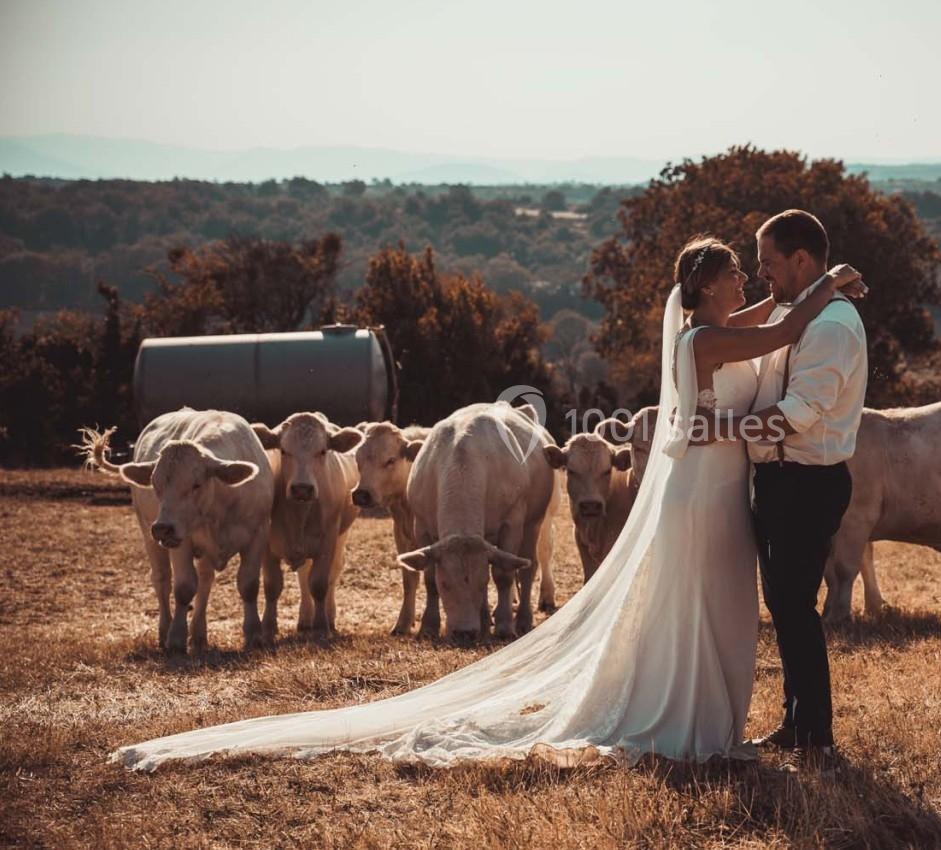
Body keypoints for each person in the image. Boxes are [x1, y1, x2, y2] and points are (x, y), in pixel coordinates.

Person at [110, 233, 864, 772]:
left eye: (754, 272)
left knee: (722, 602)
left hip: (722, 487)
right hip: (705, 492)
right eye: (739, 273)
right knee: (700, 600)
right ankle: (686, 714)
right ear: (703, 289)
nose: (749, 283)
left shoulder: (726, 328)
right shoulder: (702, 338)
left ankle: (713, 712)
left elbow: (773, 324)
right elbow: (789, 322)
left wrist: (805, 293)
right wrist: (828, 283)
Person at [697, 210, 869, 770]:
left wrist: (723, 430)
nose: (761, 272)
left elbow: (797, 415)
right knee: (784, 606)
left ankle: (816, 735)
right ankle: (796, 723)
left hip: (808, 482)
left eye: (769, 262)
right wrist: (832, 279)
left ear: (800, 260)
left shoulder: (833, 328)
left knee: (795, 606)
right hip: (775, 481)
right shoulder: (800, 312)